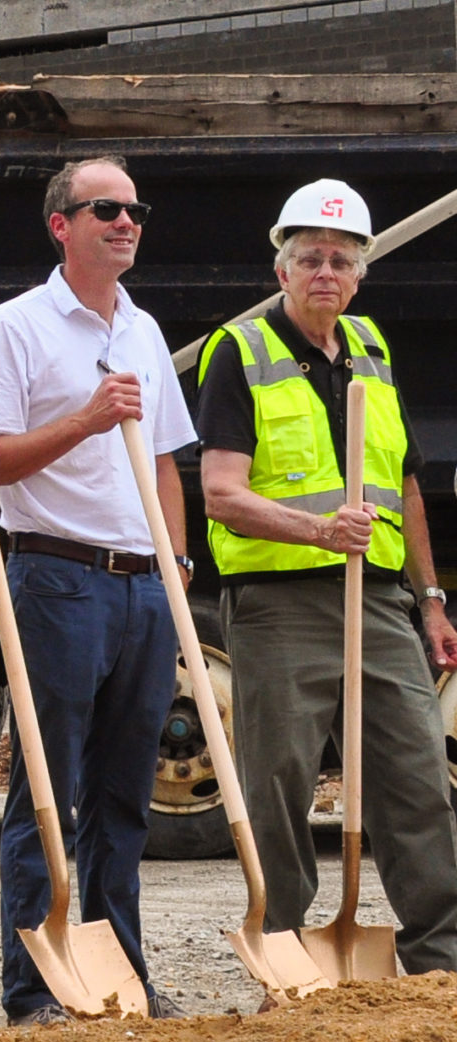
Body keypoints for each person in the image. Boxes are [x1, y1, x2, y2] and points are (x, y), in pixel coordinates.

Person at [196, 177, 457, 974]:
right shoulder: (240, 352)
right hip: (280, 603)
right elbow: (221, 493)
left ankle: (439, 957)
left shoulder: (372, 350)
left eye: (342, 261)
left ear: (360, 274)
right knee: (277, 781)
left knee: (416, 772)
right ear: (282, 269)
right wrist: (318, 527)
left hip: (378, 601)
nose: (325, 274)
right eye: (309, 258)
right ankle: (282, 948)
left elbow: (405, 485)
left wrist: (432, 598)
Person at [0, 155, 198, 1026]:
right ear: (60, 223)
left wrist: (176, 566)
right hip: (58, 576)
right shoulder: (14, 328)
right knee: (46, 787)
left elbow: (168, 460)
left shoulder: (140, 328)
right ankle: (35, 990)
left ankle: (121, 977)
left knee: (122, 799)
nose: (127, 220)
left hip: (143, 588)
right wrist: (85, 419)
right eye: (106, 207)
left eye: (136, 208)